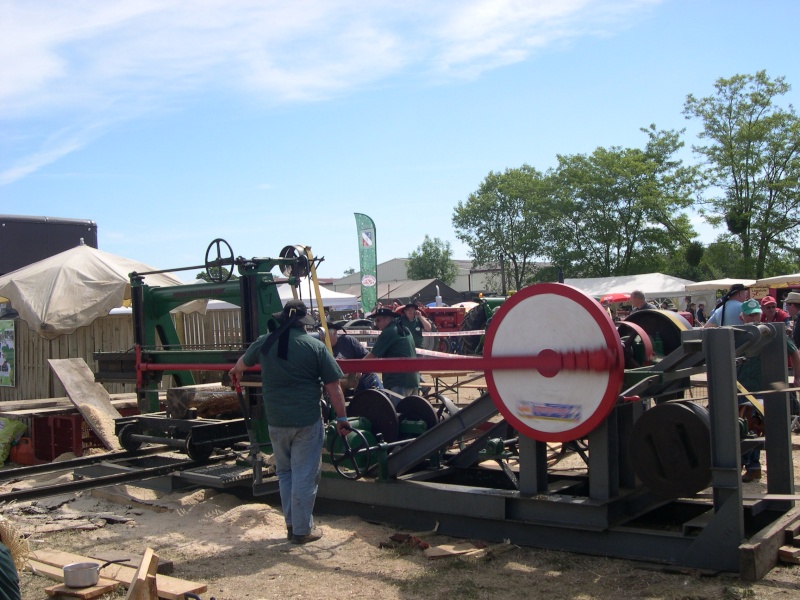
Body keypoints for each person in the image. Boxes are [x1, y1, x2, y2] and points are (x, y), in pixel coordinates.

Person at [229, 299, 349, 545]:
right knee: (304, 475)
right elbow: (334, 387)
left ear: (282, 318)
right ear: (304, 323)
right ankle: (302, 531)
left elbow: (241, 364)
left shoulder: (265, 342)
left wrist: (237, 371)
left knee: (285, 473)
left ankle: (292, 525)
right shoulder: (314, 346)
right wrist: (342, 418)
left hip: (276, 421)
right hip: (306, 421)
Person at [737, 298, 800, 482]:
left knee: (754, 427)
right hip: (740, 388)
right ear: (743, 317)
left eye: (756, 313)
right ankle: (745, 465)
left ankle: (754, 467)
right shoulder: (736, 335)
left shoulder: (770, 332)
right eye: (750, 315)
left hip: (761, 390)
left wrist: (797, 377)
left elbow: (794, 352)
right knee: (741, 428)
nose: (754, 317)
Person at [364, 306, 420, 402]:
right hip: (413, 379)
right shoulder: (404, 328)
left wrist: (357, 368)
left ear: (388, 319)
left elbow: (372, 356)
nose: (376, 324)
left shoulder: (389, 332)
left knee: (396, 414)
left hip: (399, 381)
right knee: (412, 414)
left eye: (378, 320)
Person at [325, 321, 383, 392]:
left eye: (335, 333)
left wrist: (360, 369)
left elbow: (366, 356)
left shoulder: (347, 341)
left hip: (357, 378)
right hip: (336, 380)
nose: (323, 340)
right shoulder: (322, 347)